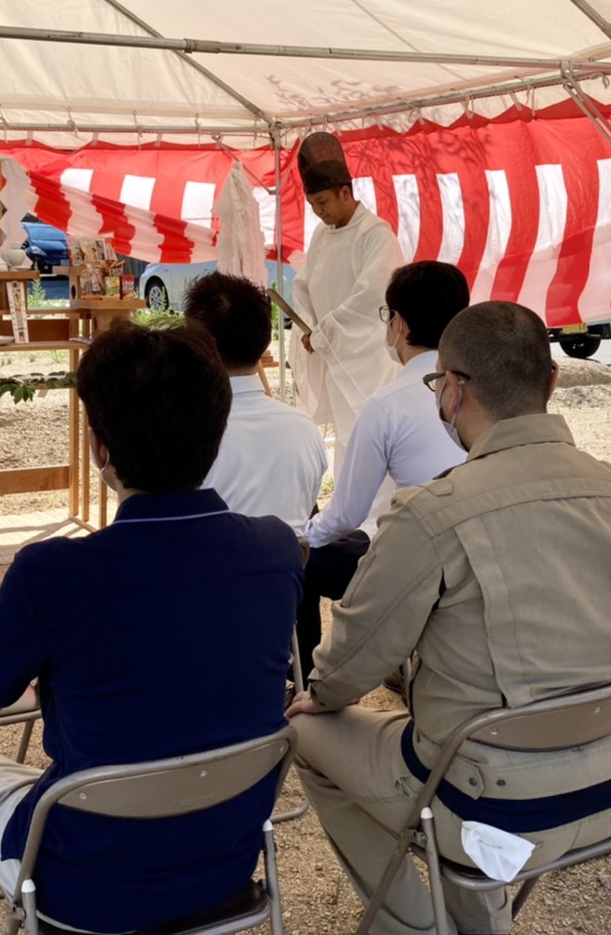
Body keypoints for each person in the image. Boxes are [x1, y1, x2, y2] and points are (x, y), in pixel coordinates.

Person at [0, 322, 302, 935]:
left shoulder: (53, 572)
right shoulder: (276, 550)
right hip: (224, 865)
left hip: (85, 877)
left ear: (100, 449)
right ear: (216, 433)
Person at [287, 301, 611, 935]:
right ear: (551, 383)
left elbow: (356, 656)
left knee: (307, 732)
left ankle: (412, 926)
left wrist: (320, 694)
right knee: (467, 732)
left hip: (486, 799)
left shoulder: (433, 510)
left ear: (454, 390)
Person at [297, 261, 470, 681]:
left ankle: (305, 676)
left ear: (399, 324)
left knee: (302, 561)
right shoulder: (480, 390)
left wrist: (301, 539)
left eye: (387, 316)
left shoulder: (387, 404)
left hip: (415, 571)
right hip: (476, 553)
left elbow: (346, 515)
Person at [290, 131, 404, 464]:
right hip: (334, 354)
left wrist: (325, 331)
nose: (318, 212)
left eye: (322, 203)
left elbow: (373, 295)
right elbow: (304, 286)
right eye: (312, 206)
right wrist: (310, 327)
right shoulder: (321, 236)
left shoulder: (375, 234)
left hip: (366, 359)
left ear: (345, 192)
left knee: (372, 440)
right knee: (346, 441)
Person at [185, 270, 326, 536]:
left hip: (211, 572)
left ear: (197, 344)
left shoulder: (186, 433)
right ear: (266, 341)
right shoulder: (304, 428)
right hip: (291, 573)